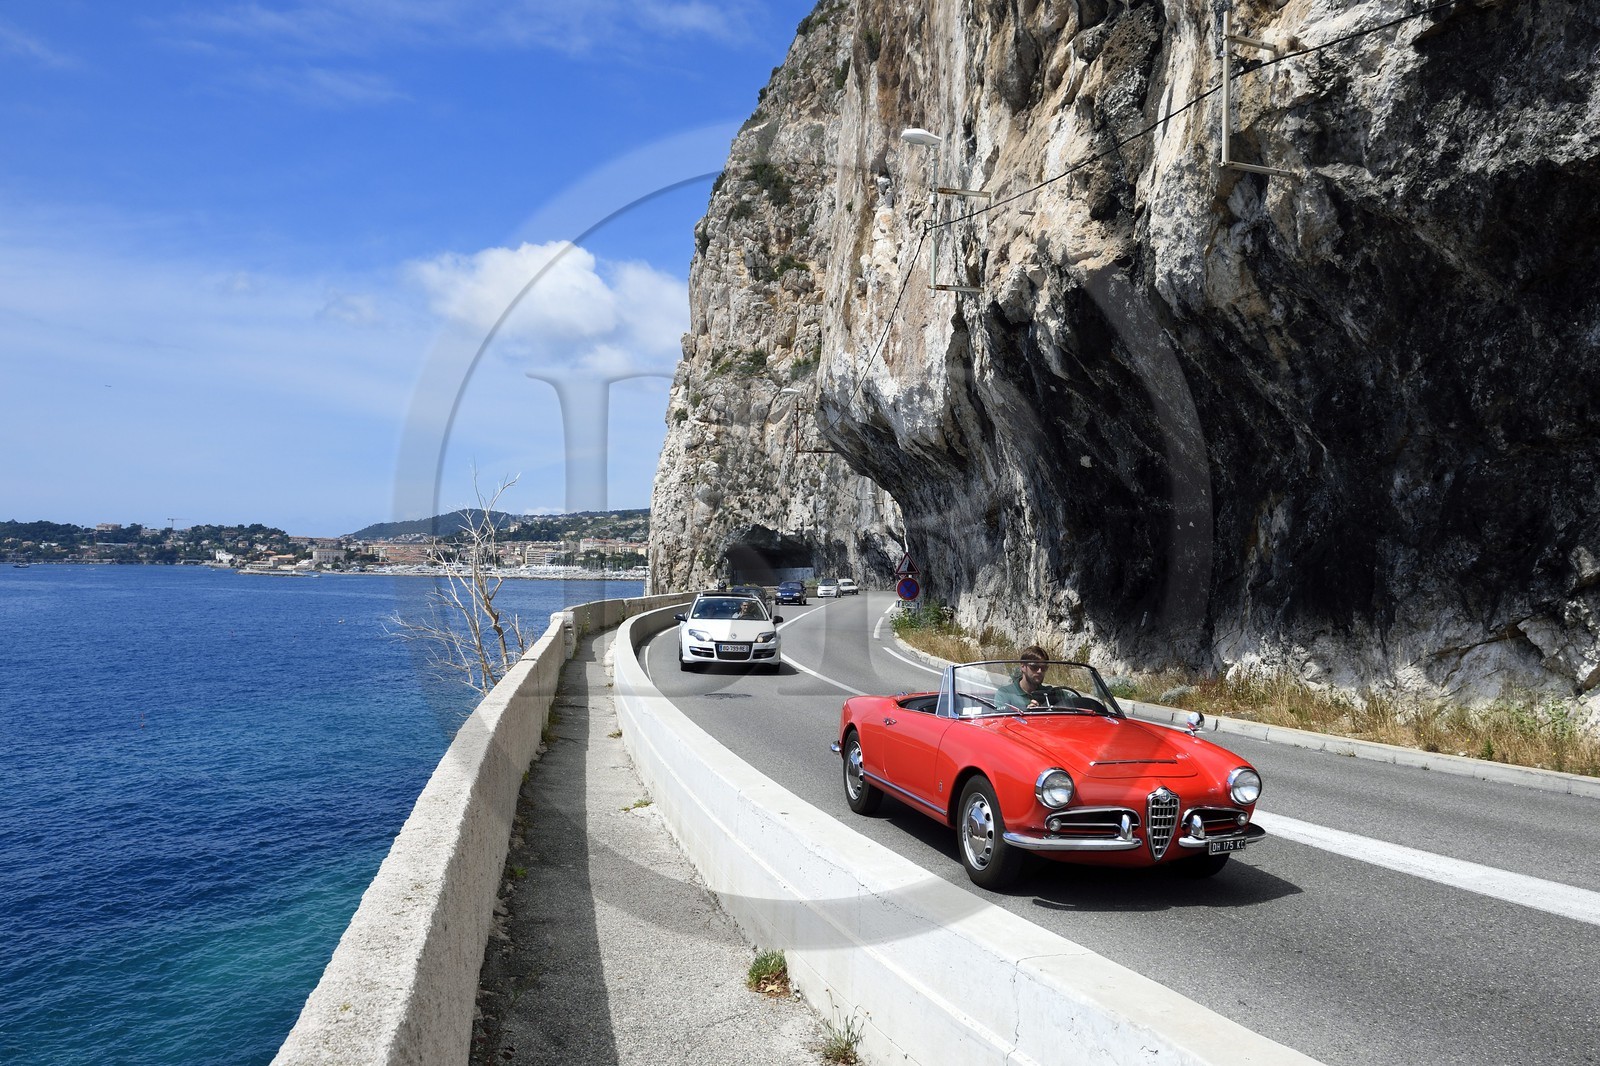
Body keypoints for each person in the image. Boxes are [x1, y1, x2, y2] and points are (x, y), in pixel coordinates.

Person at [993, 645, 1065, 711]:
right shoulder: (1005, 693)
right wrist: (1027, 713)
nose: (1039, 671)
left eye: (1043, 668)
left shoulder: (1049, 693)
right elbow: (1002, 722)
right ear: (1023, 667)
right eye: (1034, 667)